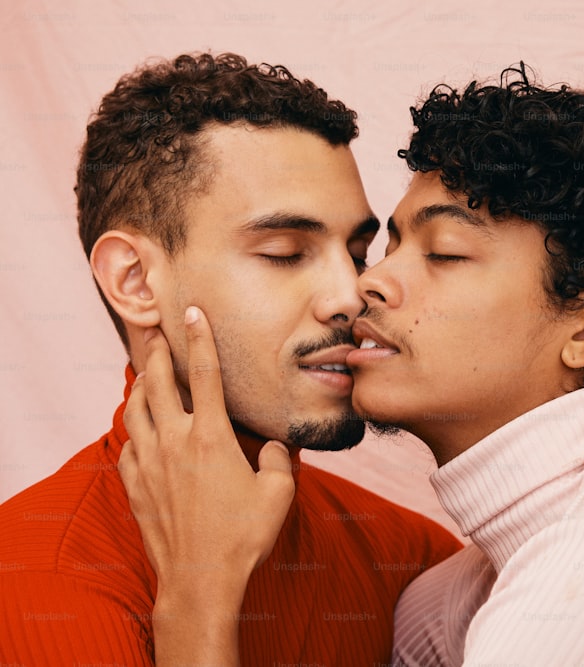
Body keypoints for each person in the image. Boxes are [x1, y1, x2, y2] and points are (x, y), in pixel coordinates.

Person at [121, 65, 584, 665]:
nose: (364, 286)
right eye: (386, 247)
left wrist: (197, 600)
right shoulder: (458, 595)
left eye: (443, 254)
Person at [0, 52, 461, 666]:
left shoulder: (412, 559)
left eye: (355, 251)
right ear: (134, 280)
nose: (352, 295)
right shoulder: (37, 580)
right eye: (284, 252)